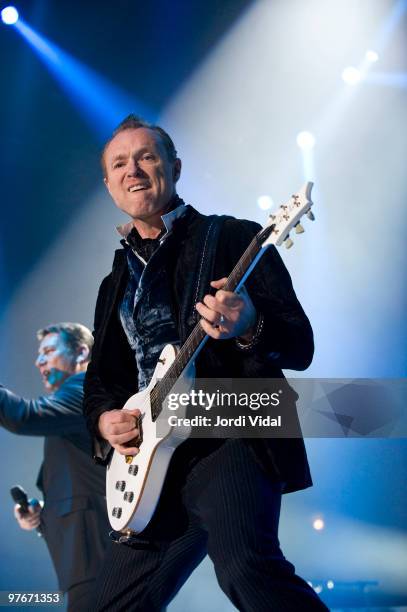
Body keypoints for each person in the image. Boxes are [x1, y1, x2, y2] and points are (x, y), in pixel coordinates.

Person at [84, 114, 328, 611]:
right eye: (119, 163)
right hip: (151, 466)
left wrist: (249, 326)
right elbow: (100, 384)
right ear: (108, 184)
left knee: (247, 569)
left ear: (174, 166)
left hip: (228, 435)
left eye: (146, 156)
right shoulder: (113, 284)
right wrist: (105, 419)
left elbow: (299, 345)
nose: (134, 170)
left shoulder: (235, 239)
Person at [0, 322, 110, 611]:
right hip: (85, 555)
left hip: (92, 552)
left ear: (81, 352)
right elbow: (82, 478)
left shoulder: (83, 386)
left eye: (48, 351)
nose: (39, 361)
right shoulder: (75, 402)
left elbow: (23, 416)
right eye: (39, 354)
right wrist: (41, 512)